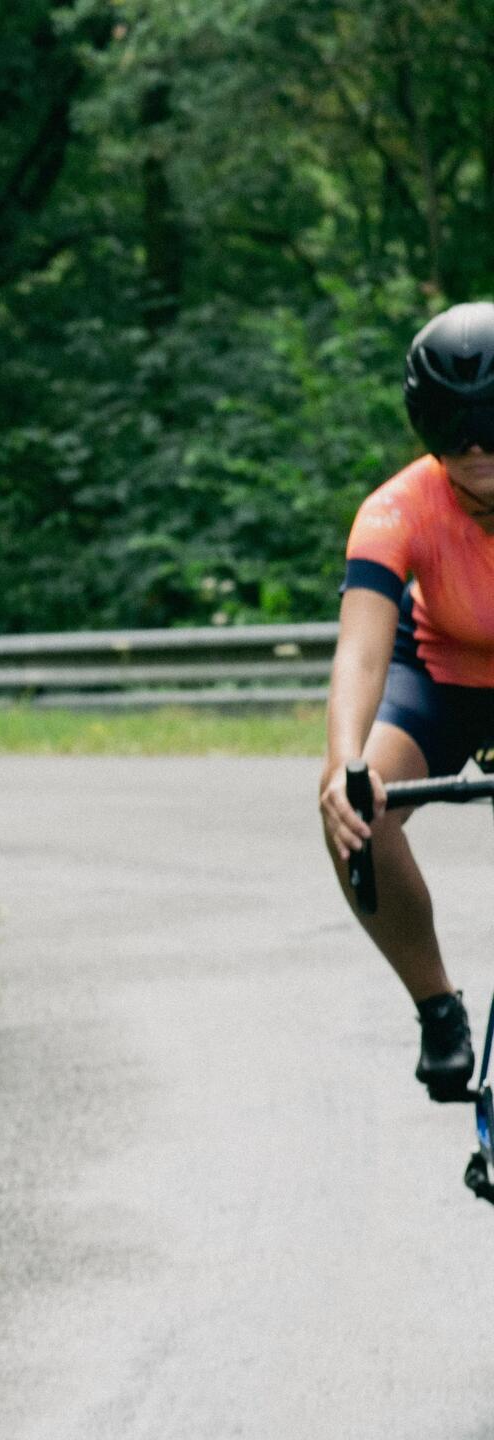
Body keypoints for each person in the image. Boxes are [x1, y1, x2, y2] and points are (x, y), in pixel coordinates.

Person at [321, 300, 494, 1102]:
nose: (478, 449)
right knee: (357, 816)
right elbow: (360, 649)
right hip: (440, 675)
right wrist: (343, 767)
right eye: (456, 431)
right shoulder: (395, 509)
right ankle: (437, 1008)